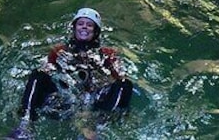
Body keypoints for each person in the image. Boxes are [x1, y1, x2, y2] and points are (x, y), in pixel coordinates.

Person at [10, 8, 133, 138]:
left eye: (89, 25)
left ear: (96, 31)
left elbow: (120, 77)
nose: (84, 27)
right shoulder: (59, 51)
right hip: (65, 102)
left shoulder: (107, 54)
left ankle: (97, 129)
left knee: (125, 84)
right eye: (81, 24)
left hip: (95, 104)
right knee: (37, 74)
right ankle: (25, 125)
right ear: (74, 28)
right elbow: (45, 72)